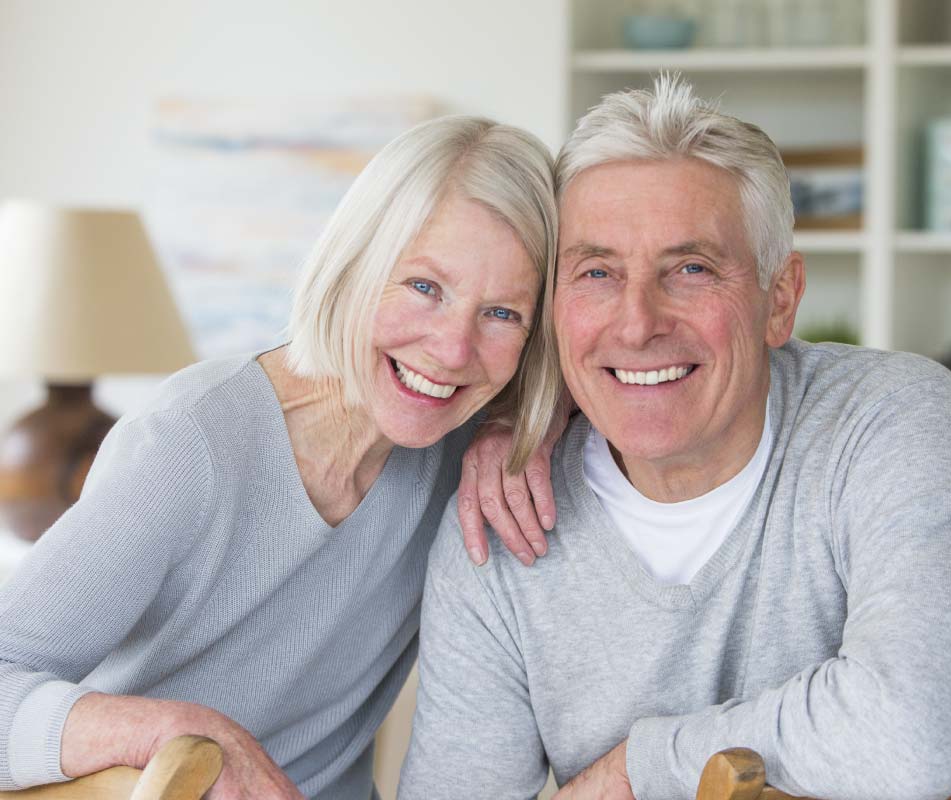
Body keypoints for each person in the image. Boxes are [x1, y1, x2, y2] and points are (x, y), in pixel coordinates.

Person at [399, 75, 951, 800]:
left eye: (690, 269)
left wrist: (639, 767)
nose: (636, 323)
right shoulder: (500, 515)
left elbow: (914, 738)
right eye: (596, 272)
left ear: (779, 300)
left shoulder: (887, 420)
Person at [0, 115, 560, 799]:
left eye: (502, 314)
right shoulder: (189, 444)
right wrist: (174, 731)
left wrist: (531, 421)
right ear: (355, 263)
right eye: (423, 287)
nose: (452, 350)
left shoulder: (461, 449)